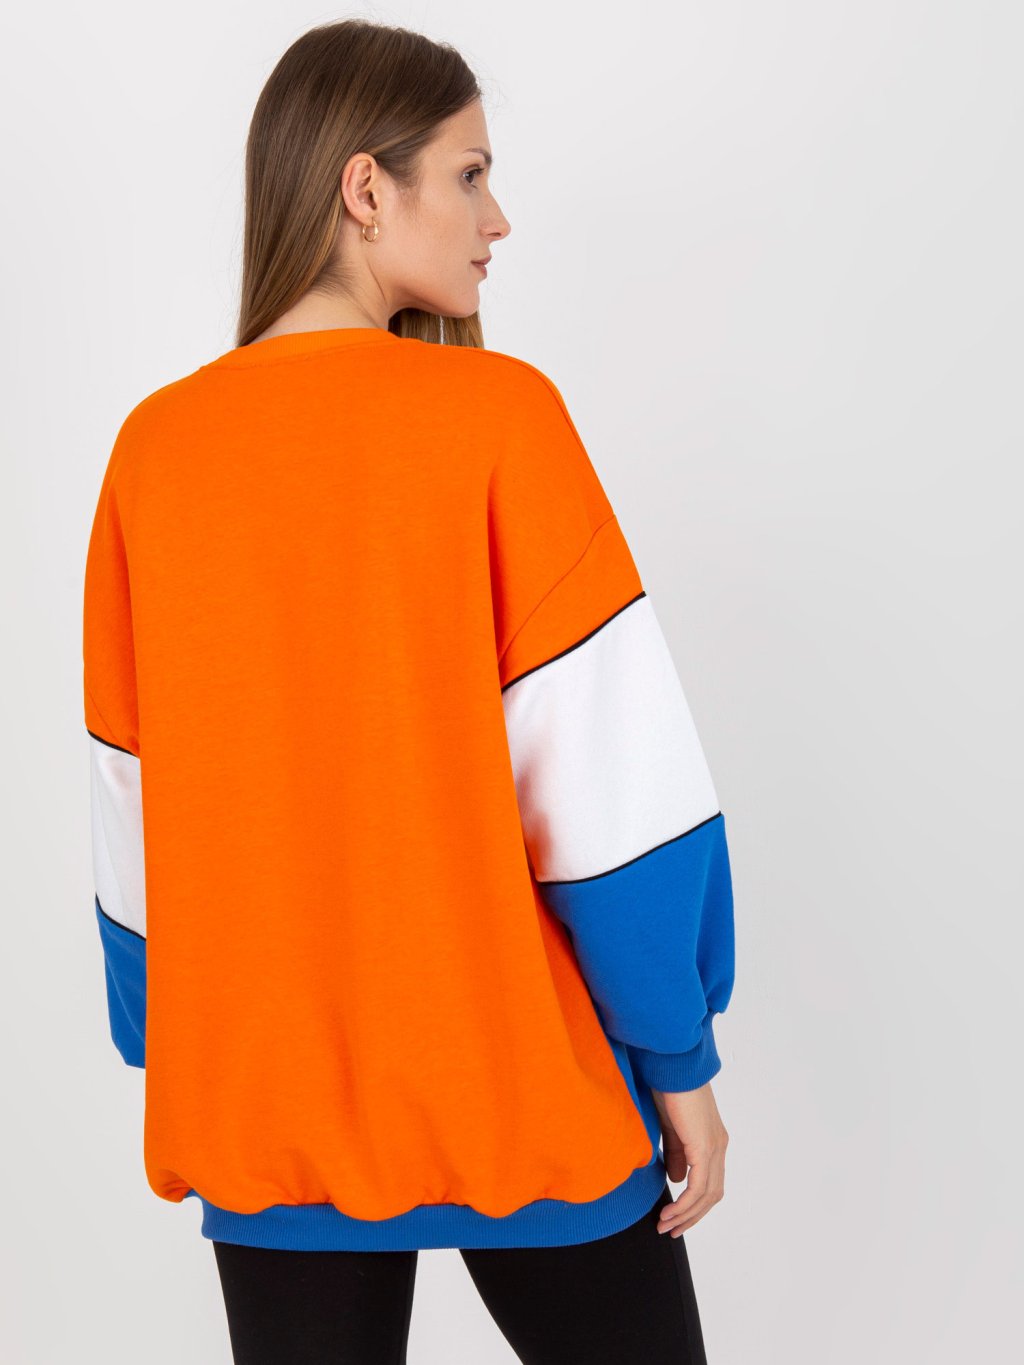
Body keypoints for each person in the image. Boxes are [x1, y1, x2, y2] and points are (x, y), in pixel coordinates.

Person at [82, 17, 735, 1365]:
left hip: (270, 1104)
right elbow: (614, 801)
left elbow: (129, 790)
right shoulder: (498, 418)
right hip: (516, 1089)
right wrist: (678, 1055)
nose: (499, 218)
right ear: (364, 187)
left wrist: (168, 1030)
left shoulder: (155, 452)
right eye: (471, 174)